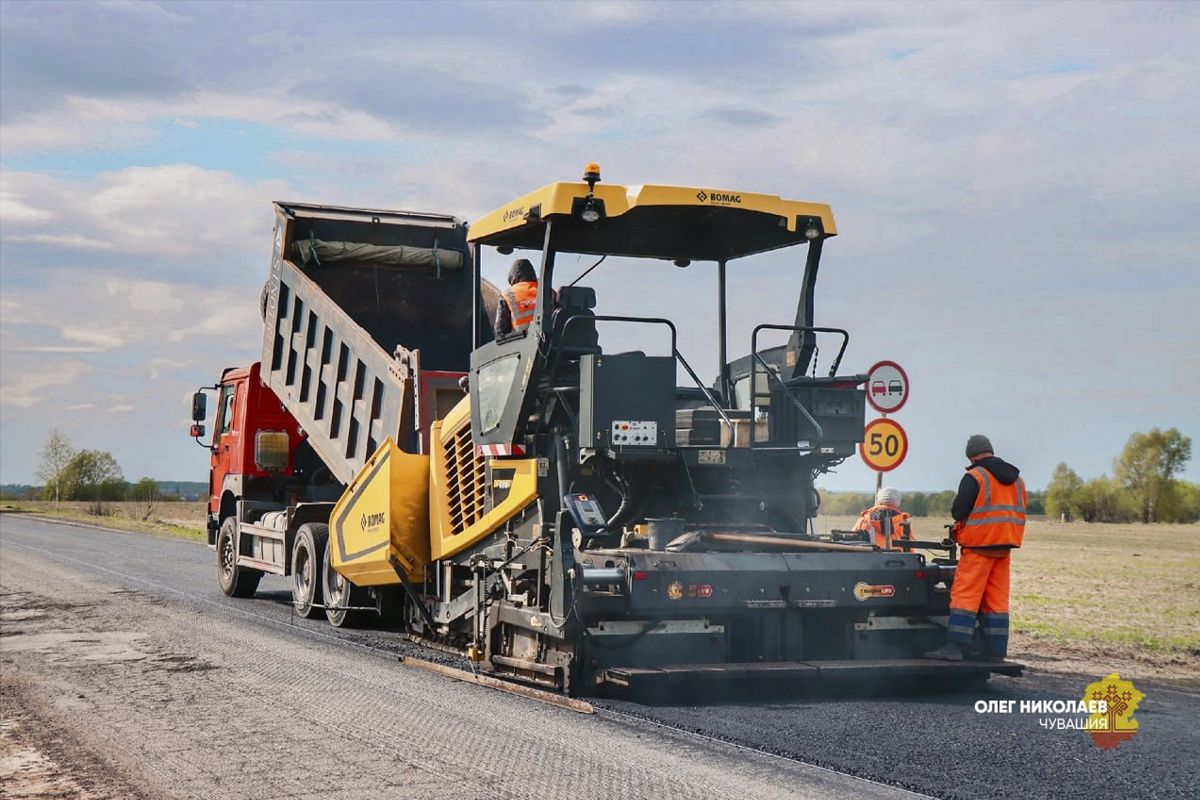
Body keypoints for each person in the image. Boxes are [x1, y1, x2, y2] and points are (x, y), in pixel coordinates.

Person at [926, 435, 1026, 662]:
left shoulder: (975, 476)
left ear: (971, 455)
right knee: (997, 601)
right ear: (990, 451)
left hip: (979, 546)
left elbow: (958, 511)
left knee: (965, 597)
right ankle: (996, 651)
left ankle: (956, 646)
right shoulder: (1017, 480)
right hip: (1005, 547)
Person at [494, 258, 540, 336]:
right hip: (550, 345)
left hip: (522, 346)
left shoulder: (507, 295)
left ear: (515, 278)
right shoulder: (549, 291)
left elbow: (501, 331)